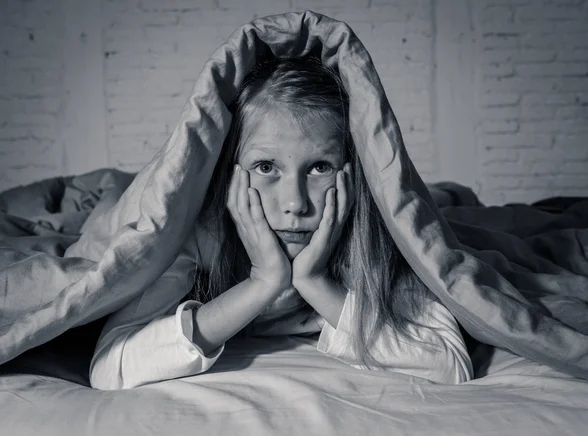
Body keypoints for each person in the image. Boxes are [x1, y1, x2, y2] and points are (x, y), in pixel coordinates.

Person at [89, 55, 473, 390]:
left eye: (320, 167)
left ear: (354, 174)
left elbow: (450, 364)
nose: (294, 203)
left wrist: (314, 281)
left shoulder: (367, 231)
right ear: (231, 171)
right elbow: (111, 368)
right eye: (266, 167)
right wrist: (261, 282)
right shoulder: (200, 234)